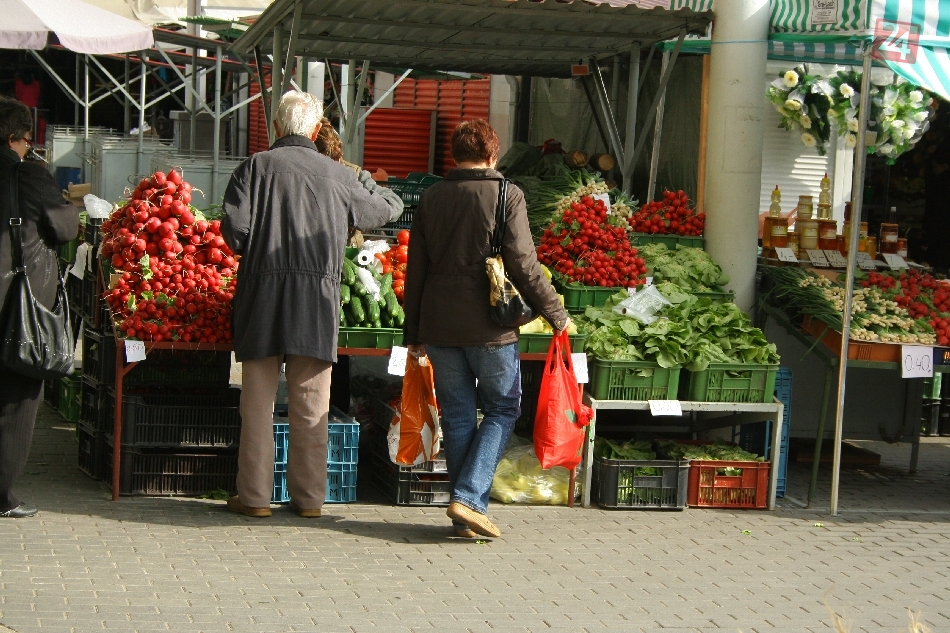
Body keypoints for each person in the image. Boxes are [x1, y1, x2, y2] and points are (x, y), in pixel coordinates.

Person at [221, 91, 401, 518]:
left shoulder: (254, 168)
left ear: (276, 127)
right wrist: (373, 184)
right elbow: (384, 210)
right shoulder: (337, 174)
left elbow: (235, 234)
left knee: (257, 408)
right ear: (317, 129)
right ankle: (309, 501)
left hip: (262, 299)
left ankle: (255, 499)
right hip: (316, 302)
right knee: (311, 407)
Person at [402, 119, 570, 539]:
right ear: (493, 153)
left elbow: (415, 269)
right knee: (503, 409)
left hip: (440, 325)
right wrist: (556, 313)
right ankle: (469, 500)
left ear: (455, 155)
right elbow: (524, 264)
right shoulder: (506, 194)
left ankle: (464, 514)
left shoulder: (432, 197)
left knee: (459, 415)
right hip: (491, 328)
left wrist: (413, 333)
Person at [0, 97, 80, 518]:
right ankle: (2, 496)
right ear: (15, 138)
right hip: (17, 309)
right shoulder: (28, 175)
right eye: (27, 141)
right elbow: (64, 228)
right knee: (17, 401)